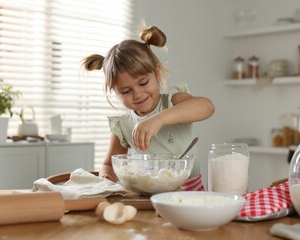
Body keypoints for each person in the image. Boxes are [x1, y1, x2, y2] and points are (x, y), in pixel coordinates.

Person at [82, 25, 214, 190]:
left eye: (143, 83)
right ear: (115, 92)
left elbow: (207, 107)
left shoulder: (173, 101)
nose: (137, 94)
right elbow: (108, 163)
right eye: (125, 91)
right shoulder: (123, 124)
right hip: (144, 198)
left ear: (157, 74)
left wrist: (158, 119)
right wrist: (106, 176)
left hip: (187, 195)